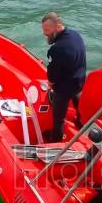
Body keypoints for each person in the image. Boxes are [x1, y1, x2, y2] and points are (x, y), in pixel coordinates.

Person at [42, 12, 87, 141]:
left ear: (57, 26)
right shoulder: (75, 35)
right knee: (81, 111)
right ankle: (81, 124)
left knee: (58, 119)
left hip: (63, 89)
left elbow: (52, 76)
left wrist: (51, 84)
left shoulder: (56, 49)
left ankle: (56, 139)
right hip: (79, 83)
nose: (45, 33)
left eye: (47, 30)